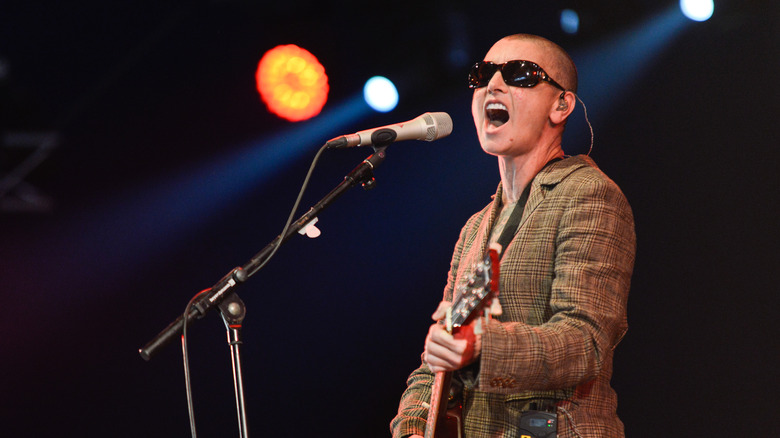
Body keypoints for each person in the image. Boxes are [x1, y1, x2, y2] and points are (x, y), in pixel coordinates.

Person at [390, 34, 636, 438]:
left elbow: (585, 342)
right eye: (483, 74)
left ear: (562, 105)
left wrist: (483, 346)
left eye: (520, 74)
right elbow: (436, 360)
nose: (494, 85)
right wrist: (413, 425)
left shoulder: (589, 194)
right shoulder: (475, 226)